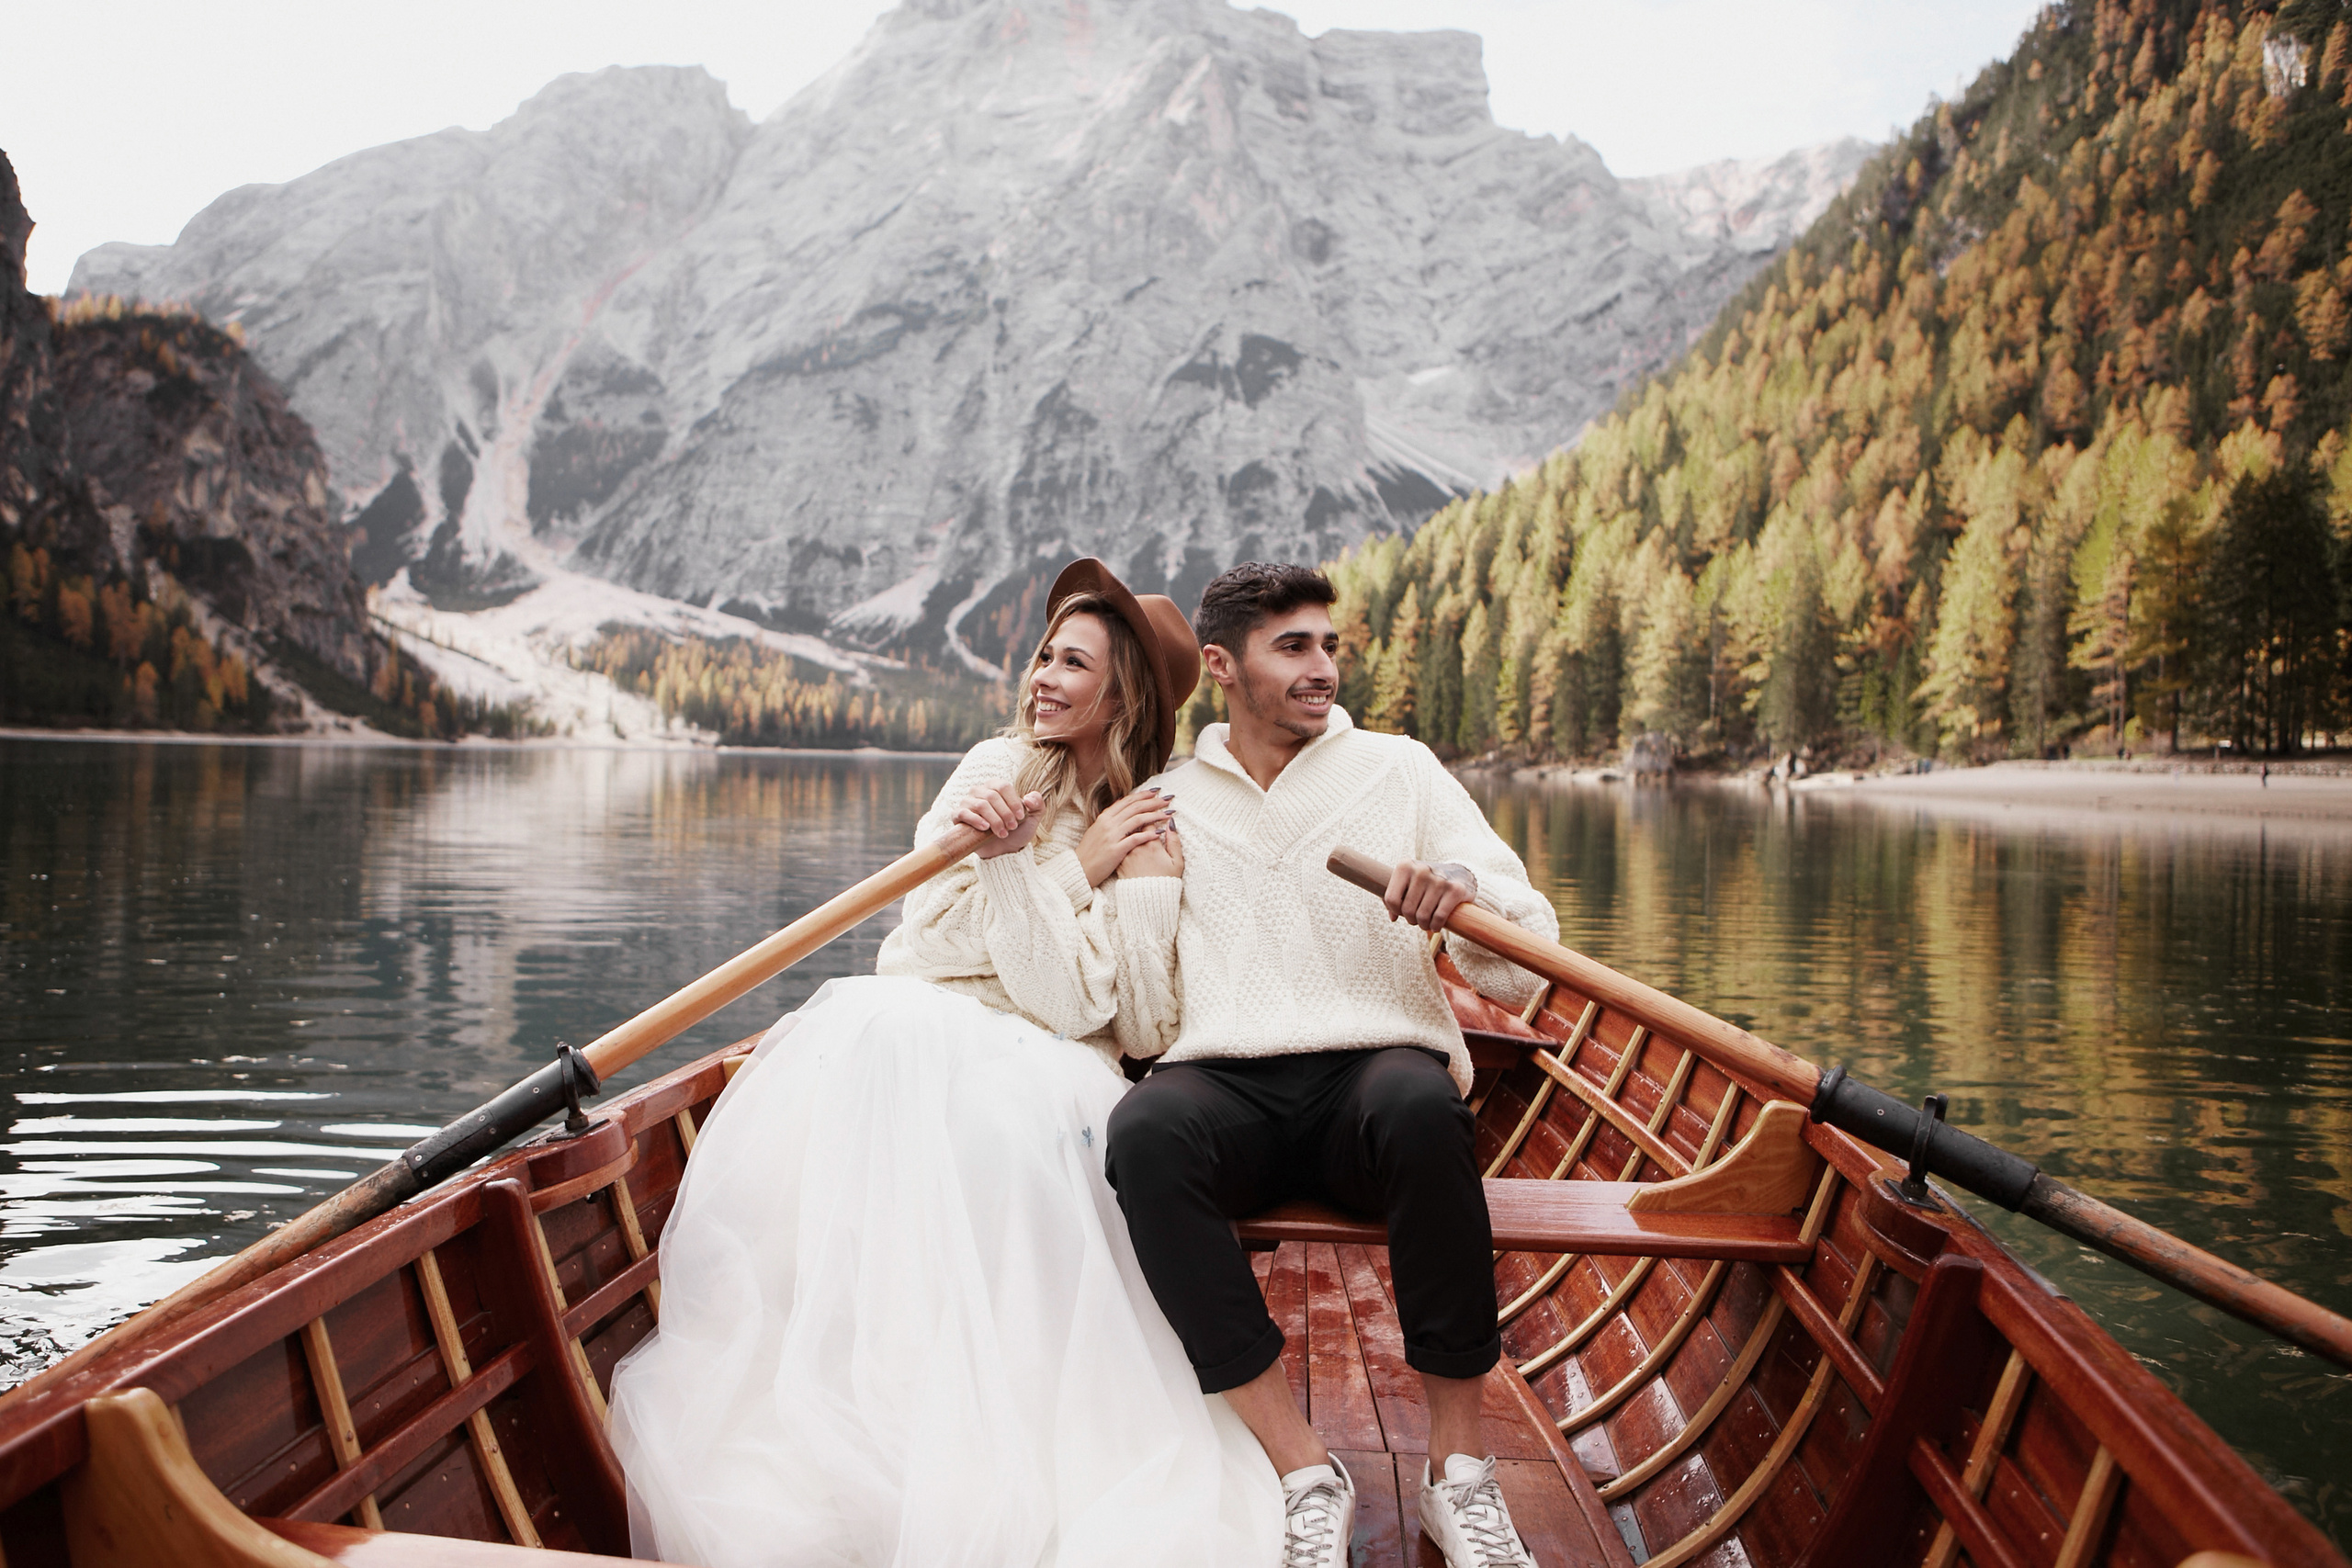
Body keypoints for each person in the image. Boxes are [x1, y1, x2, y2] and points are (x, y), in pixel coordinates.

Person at [607, 558, 1283, 1568]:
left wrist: (1109, 880)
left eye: (1074, 664)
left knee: (1018, 1120)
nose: (1042, 678)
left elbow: (1101, 1014)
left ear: (1124, 699)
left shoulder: (1152, 818)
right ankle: (890, 1428)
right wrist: (1069, 867)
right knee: (923, 1065)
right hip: (925, 1027)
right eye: (1045, 655)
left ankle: (998, 1446)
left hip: (1055, 1063)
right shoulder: (997, 770)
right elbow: (921, 943)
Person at [1103, 562, 1560, 1568]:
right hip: (1226, 1084)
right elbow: (1142, 1026)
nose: (1323, 668)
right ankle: (1306, 1471)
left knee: (1421, 1107)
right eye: (1293, 647)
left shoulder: (1401, 770)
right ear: (1222, 666)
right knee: (1143, 1130)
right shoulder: (1164, 803)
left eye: (1329, 645)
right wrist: (1140, 893)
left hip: (1374, 1072)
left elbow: (1523, 968)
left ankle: (1458, 1473)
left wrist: (1462, 895)